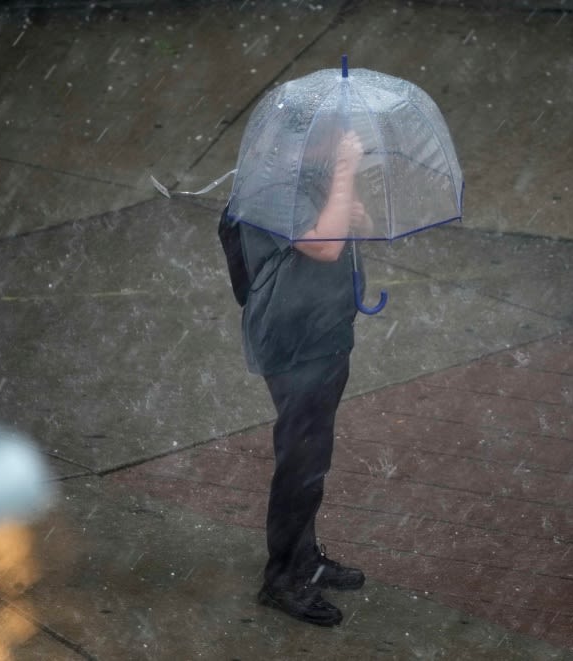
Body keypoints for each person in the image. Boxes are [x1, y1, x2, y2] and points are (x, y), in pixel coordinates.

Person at [237, 129, 371, 627]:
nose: (341, 143)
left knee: (313, 455)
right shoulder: (269, 184)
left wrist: (350, 197)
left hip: (325, 330)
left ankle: (305, 560)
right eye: (332, 137)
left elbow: (356, 225)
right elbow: (325, 246)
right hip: (294, 340)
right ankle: (284, 578)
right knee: (301, 459)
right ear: (302, 137)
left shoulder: (310, 175)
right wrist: (344, 173)